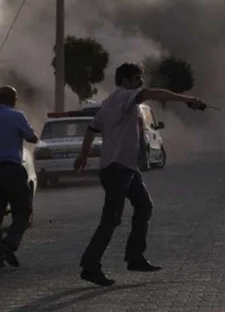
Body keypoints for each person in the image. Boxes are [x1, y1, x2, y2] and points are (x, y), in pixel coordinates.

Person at [74, 63, 206, 286]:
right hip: (117, 169)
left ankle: (135, 257)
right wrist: (187, 99)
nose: (140, 83)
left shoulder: (108, 103)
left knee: (144, 206)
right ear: (126, 81)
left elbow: (91, 129)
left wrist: (83, 155)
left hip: (124, 168)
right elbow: (153, 93)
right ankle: (90, 266)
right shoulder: (126, 95)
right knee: (111, 219)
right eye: (137, 79)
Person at [0, 86, 38, 268]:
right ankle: (9, 244)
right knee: (23, 211)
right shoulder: (17, 116)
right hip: (12, 170)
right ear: (13, 99)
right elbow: (32, 138)